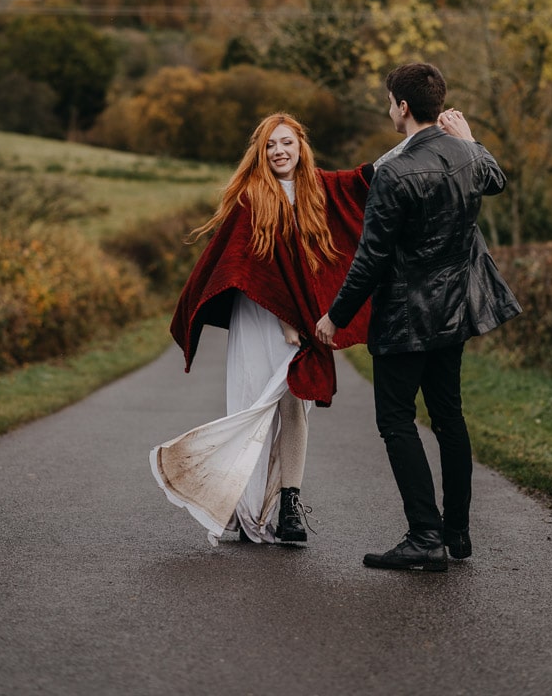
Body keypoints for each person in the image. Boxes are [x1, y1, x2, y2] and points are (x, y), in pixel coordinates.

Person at [150, 112, 397, 547]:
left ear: (301, 145)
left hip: (303, 316)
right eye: (269, 145)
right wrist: (287, 321)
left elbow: (370, 176)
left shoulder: (321, 189)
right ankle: (239, 505)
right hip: (264, 317)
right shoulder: (252, 197)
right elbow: (255, 267)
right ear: (260, 153)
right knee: (255, 402)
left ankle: (288, 507)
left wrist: (427, 136)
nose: (279, 151)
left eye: (286, 142)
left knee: (295, 404)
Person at [315, 62, 521, 571]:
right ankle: (457, 535)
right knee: (449, 417)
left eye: (390, 101)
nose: (389, 109)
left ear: (403, 107)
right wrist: (471, 140)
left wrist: (334, 316)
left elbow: (372, 257)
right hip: (453, 314)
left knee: (395, 419)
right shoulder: (467, 156)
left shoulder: (394, 171)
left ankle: (425, 536)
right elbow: (495, 179)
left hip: (406, 319)